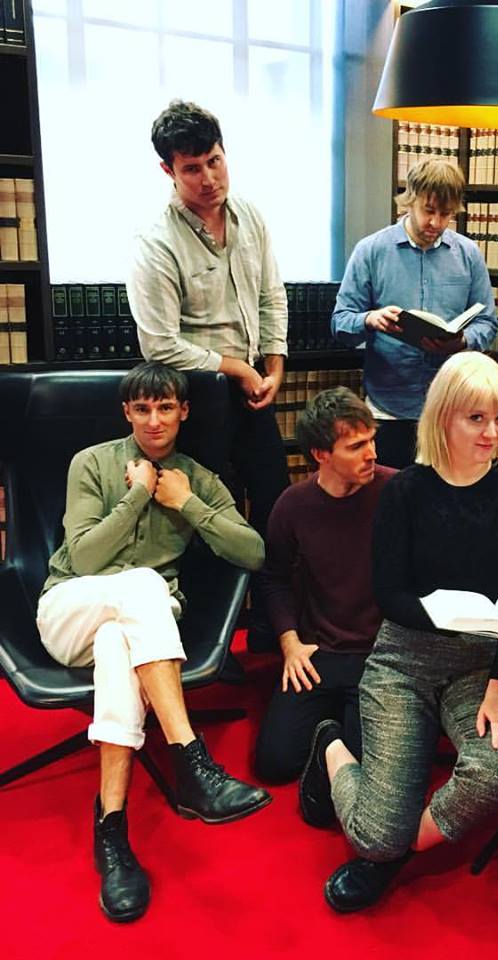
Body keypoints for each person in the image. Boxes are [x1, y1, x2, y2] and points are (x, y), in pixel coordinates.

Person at [296, 351, 498, 912]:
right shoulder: (406, 490)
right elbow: (390, 594)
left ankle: (399, 849)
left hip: (488, 662)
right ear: (443, 418)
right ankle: (331, 747)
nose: (492, 433)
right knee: (372, 836)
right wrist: (451, 615)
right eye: (476, 418)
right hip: (405, 657)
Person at [36, 362, 271, 924]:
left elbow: (254, 552)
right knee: (144, 585)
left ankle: (112, 832)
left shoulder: (195, 478)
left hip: (134, 630)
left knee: (119, 641)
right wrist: (139, 495)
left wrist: (186, 503)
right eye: (142, 409)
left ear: (183, 411)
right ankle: (190, 760)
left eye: (165, 407)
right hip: (70, 608)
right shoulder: (92, 463)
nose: (154, 420)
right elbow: (85, 559)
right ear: (127, 412)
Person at [128, 99, 290, 648]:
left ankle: (271, 626)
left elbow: (271, 296)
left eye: (215, 161)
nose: (208, 179)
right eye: (192, 168)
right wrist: (234, 367)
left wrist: (273, 366)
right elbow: (158, 344)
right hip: (199, 397)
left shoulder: (250, 217)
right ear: (168, 170)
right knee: (207, 514)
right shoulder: (155, 241)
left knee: (274, 505)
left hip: (253, 388)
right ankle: (210, 640)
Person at [253, 387, 395, 827]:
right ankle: (331, 733)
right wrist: (289, 643)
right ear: (320, 455)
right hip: (320, 652)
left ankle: (335, 737)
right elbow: (273, 577)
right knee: (274, 763)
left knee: (367, 771)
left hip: (382, 656)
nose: (371, 453)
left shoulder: (396, 489)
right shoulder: (293, 505)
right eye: (356, 446)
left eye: (372, 440)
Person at [331, 157, 497, 467]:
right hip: (388, 408)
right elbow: (340, 321)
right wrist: (370, 319)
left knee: (447, 493)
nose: (436, 223)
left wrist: (462, 341)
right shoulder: (371, 251)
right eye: (428, 210)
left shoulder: (468, 254)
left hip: (451, 407)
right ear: (410, 200)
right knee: (392, 491)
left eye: (446, 214)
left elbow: (487, 322)